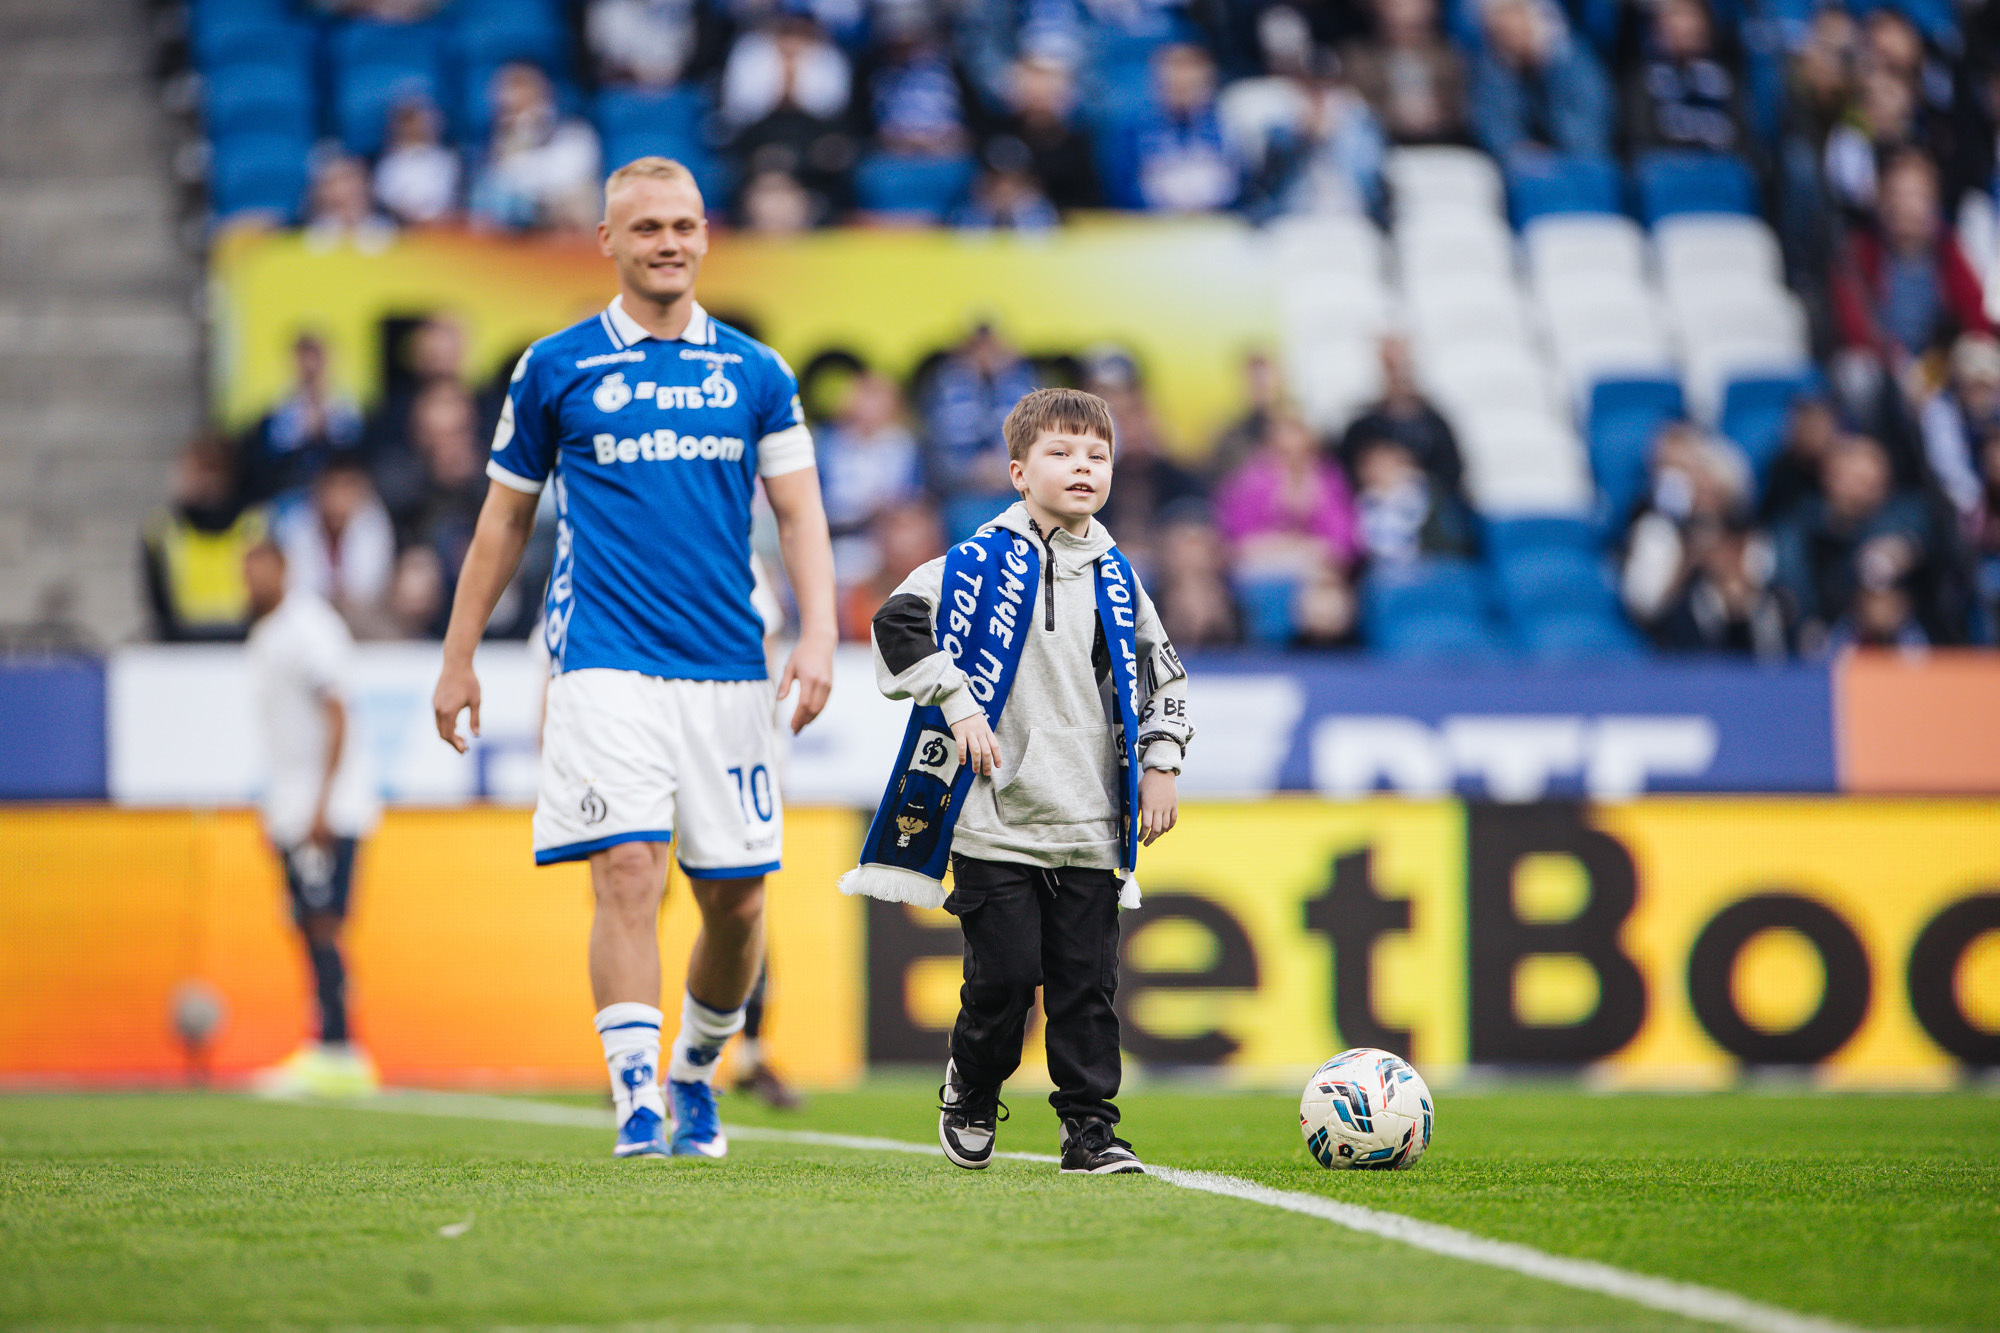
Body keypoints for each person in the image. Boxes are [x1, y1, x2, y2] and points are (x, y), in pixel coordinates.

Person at [431, 156, 836, 1160]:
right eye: (646, 227)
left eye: (684, 226)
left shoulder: (756, 372)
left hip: (729, 670)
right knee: (624, 869)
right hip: (602, 660)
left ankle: (696, 1066)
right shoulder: (554, 367)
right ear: (606, 242)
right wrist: (459, 654)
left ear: (706, 236)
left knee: (737, 904)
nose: (668, 243)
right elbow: (500, 524)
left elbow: (798, 513)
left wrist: (823, 633)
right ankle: (635, 1101)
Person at [842, 387, 1193, 1174]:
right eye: (1062, 453)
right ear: (1016, 470)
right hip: (995, 814)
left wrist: (1163, 761)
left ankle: (1090, 1127)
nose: (1082, 467)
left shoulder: (1118, 576)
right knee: (1002, 978)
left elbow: (1163, 674)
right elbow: (894, 623)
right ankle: (972, 1083)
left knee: (1086, 987)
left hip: (1092, 820)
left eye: (1097, 455)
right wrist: (958, 701)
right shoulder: (971, 565)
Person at [243, 538, 382, 1097]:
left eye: (257, 568)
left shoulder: (309, 628)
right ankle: (327, 1042)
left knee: (323, 922)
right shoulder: (268, 632)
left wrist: (322, 802)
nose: (249, 581)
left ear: (283, 566)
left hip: (327, 805)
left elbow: (337, 709)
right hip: (295, 804)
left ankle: (338, 1047)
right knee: (308, 921)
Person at [142, 436, 267, 642]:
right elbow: (156, 599)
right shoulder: (161, 529)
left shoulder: (254, 526)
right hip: (182, 645)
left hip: (243, 643)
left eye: (209, 471)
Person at [1468, 0, 1613, 164]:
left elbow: (1591, 122)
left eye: (1518, 31)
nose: (1512, 39)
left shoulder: (1571, 58)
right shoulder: (1493, 67)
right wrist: (1518, 149)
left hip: (1576, 153)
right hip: (1525, 163)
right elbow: (1493, 123)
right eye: (1502, 34)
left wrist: (1556, 154)